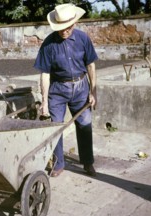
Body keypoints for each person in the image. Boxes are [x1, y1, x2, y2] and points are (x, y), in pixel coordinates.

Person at [34, 3, 98, 177]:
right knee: (56, 127)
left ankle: (87, 162)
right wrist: (45, 102)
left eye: (67, 27)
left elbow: (91, 66)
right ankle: (58, 163)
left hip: (80, 88)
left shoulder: (83, 39)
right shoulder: (48, 44)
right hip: (58, 89)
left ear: (74, 23)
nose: (64, 31)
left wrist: (93, 92)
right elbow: (45, 74)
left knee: (85, 125)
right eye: (60, 28)